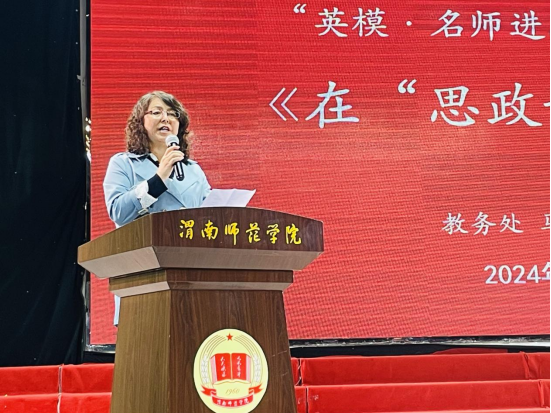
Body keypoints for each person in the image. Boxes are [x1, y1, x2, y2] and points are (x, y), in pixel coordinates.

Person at [103, 91, 212, 325]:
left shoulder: (194, 170)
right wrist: (158, 179)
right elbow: (118, 212)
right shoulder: (123, 164)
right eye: (156, 112)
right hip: (143, 274)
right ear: (141, 122)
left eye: (172, 114)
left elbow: (208, 216)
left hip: (190, 273)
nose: (166, 118)